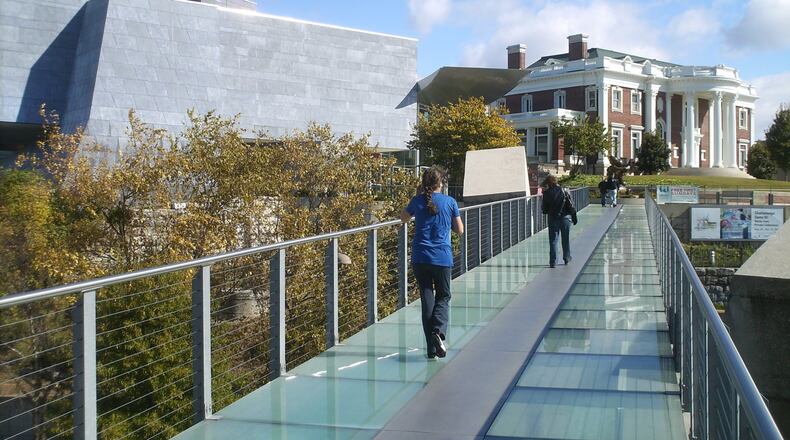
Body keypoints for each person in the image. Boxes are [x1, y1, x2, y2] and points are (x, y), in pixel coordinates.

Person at [401, 166, 464, 359]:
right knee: (443, 296)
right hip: (442, 257)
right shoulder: (450, 201)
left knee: (427, 299)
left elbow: (403, 218)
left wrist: (417, 202)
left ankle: (431, 349)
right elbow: (460, 230)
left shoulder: (417, 201)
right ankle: (438, 332)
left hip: (420, 257)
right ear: (440, 183)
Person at [541, 175, 574, 268]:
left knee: (553, 240)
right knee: (565, 239)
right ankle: (566, 258)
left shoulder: (546, 193)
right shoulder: (565, 191)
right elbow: (571, 204)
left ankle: (553, 261)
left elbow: (544, 209)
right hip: (565, 218)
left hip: (553, 218)